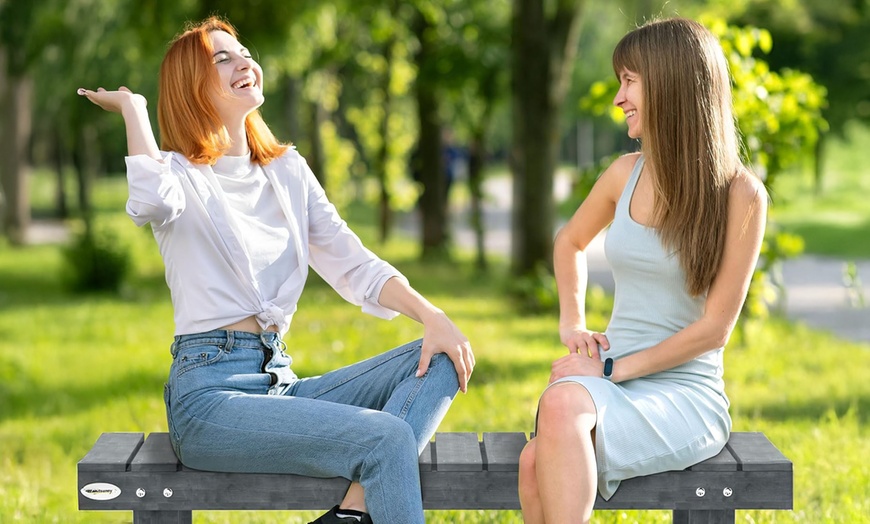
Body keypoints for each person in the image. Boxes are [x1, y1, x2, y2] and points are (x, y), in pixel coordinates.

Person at [78, 16, 474, 524]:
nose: (244, 62)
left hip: (280, 380)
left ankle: (350, 515)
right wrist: (135, 111)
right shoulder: (177, 175)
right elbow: (147, 201)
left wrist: (431, 315)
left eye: (244, 52)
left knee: (440, 355)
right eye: (222, 59)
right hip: (210, 398)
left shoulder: (287, 170)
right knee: (388, 437)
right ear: (190, 87)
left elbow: (353, 263)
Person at [517, 17, 767, 524]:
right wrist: (572, 325)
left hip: (684, 395)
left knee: (555, 418)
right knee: (533, 457)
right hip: (613, 380)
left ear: (671, 84)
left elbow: (714, 330)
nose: (618, 98)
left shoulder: (742, 196)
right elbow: (569, 242)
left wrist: (607, 369)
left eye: (629, 81)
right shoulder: (623, 174)